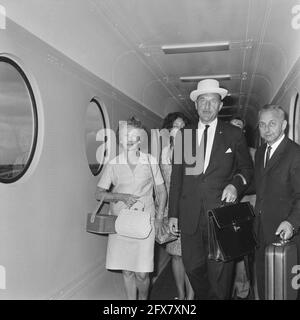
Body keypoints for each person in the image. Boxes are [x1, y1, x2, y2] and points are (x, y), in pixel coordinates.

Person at [168, 79, 253, 300]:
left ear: (220, 105)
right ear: (196, 106)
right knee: (193, 268)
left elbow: (247, 169)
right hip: (190, 215)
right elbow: (177, 179)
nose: (207, 106)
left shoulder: (233, 135)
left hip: (221, 216)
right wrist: (173, 214)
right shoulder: (184, 135)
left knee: (221, 274)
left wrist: (235, 184)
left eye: (212, 101)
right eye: (202, 101)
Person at [96, 117, 167, 300]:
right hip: (121, 223)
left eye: (134, 135)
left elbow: (161, 191)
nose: (129, 139)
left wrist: (159, 218)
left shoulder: (150, 161)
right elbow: (99, 193)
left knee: (142, 274)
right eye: (126, 135)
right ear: (120, 138)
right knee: (127, 271)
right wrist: (120, 196)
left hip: (145, 222)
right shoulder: (114, 163)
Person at [253, 104, 300, 299]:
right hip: (262, 231)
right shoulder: (261, 151)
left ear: (284, 125)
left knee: (286, 290)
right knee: (265, 283)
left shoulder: (295, 153)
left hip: (286, 233)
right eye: (262, 125)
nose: (267, 129)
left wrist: (292, 222)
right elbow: (260, 186)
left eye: (272, 124)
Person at [160, 112, 194, 300]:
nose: (179, 129)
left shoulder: (192, 151)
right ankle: (181, 296)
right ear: (169, 129)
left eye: (183, 126)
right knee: (175, 255)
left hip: (188, 210)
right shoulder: (164, 152)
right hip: (170, 210)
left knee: (191, 257)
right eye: (175, 126)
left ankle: (190, 298)